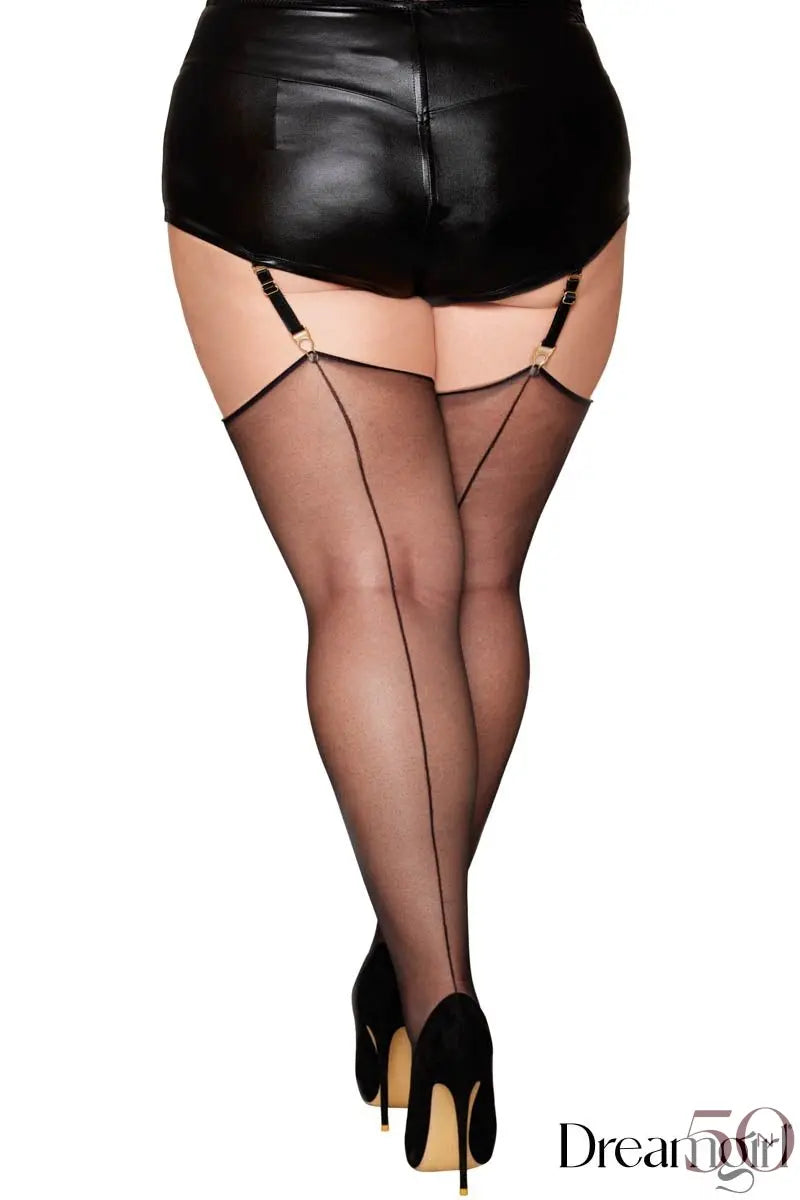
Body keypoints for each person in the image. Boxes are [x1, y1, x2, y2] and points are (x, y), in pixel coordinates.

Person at [161, 0, 631, 1190]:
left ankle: (439, 995)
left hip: (288, 118)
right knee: (474, 582)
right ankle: (414, 959)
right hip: (532, 129)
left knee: (377, 585)